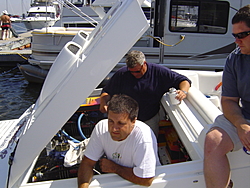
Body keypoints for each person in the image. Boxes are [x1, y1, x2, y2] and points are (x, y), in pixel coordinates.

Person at [204, 5, 250, 188]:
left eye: (242, 35)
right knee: (213, 141)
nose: (237, 41)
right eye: (234, 36)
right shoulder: (234, 59)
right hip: (244, 116)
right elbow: (229, 101)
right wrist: (241, 125)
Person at [99, 50, 191, 136]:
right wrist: (103, 103)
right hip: (126, 120)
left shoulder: (158, 72)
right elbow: (107, 91)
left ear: (144, 64)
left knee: (149, 144)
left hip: (149, 119)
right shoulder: (122, 74)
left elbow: (184, 80)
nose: (135, 74)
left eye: (138, 71)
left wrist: (183, 91)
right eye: (132, 72)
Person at [78, 94, 160, 188]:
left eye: (120, 123)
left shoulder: (143, 138)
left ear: (133, 121)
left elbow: (146, 180)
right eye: (111, 121)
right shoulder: (101, 128)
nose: (114, 129)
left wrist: (114, 168)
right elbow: (87, 163)